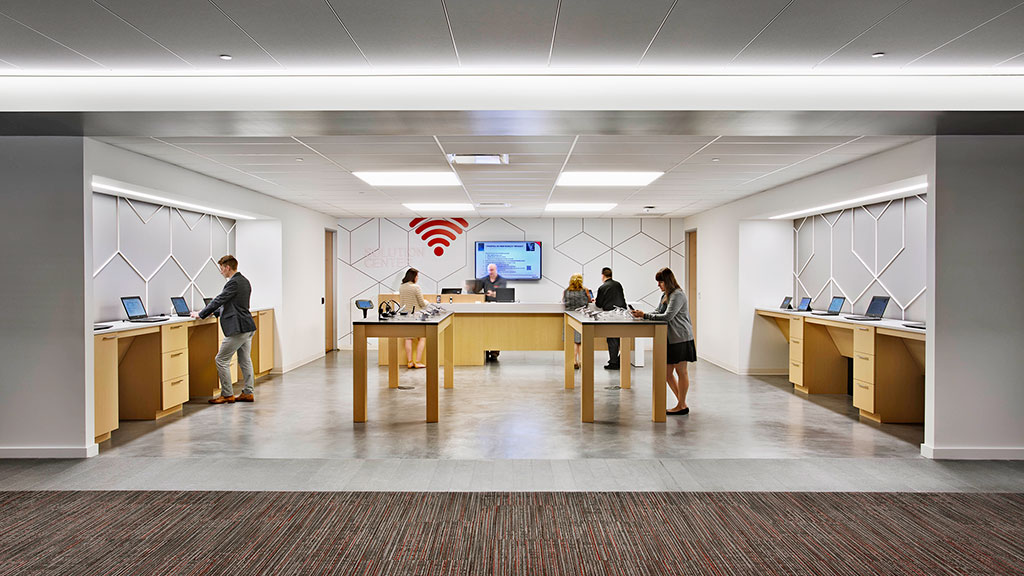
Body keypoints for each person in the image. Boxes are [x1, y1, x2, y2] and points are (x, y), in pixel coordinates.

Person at [193, 255, 257, 404]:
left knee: (221, 359)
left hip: (238, 328)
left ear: (228, 267)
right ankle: (248, 392)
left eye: (221, 269)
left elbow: (220, 299)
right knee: (245, 360)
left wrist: (201, 314)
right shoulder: (244, 281)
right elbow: (231, 304)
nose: (221, 272)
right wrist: (213, 312)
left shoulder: (233, 283)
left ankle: (227, 394)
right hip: (247, 326)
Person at [631, 267, 696, 415]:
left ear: (667, 281)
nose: (658, 285)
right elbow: (658, 311)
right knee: (667, 374)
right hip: (669, 338)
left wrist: (645, 316)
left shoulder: (678, 295)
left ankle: (681, 405)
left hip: (680, 337)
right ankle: (682, 404)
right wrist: (642, 314)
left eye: (660, 282)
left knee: (681, 372)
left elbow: (667, 316)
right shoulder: (666, 295)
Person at [594, 267, 626, 369]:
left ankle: (613, 362)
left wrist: (595, 300)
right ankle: (622, 359)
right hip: (622, 313)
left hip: (610, 315)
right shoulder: (618, 284)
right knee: (623, 337)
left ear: (603, 275)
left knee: (612, 338)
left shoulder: (602, 287)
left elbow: (599, 304)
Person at [399, 267, 428, 369]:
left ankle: (410, 362)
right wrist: (427, 302)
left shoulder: (402, 287)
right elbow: (422, 303)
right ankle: (418, 361)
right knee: (422, 338)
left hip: (405, 316)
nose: (417, 278)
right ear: (414, 277)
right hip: (416, 316)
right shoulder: (416, 287)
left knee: (408, 339)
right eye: (417, 276)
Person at [562, 273, 593, 369]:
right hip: (581, 316)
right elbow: (589, 301)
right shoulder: (585, 290)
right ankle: (581, 361)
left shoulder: (566, 291)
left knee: (572, 340)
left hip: (569, 316)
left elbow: (564, 301)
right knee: (581, 340)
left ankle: (573, 361)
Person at [478, 263, 506, 361]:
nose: (491, 272)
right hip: (485, 307)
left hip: (498, 308)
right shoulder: (484, 280)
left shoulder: (502, 280)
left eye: (492, 270)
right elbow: (475, 290)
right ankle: (484, 350)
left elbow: (503, 294)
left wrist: (493, 294)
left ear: (496, 269)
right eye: (489, 270)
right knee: (485, 328)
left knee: (496, 329)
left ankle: (494, 352)